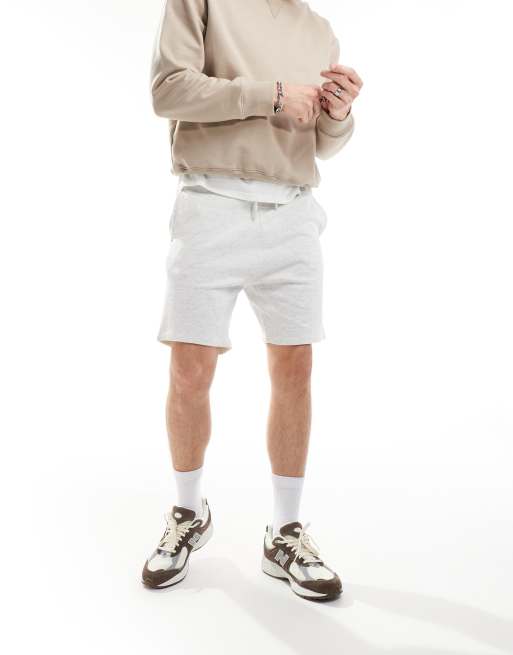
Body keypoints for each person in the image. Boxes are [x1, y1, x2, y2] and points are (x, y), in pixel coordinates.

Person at [141, 0, 363, 601]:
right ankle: (189, 513)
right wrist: (270, 95)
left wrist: (338, 114)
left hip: (292, 214)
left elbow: (321, 144)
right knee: (190, 370)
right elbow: (168, 90)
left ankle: (285, 532)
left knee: (295, 369)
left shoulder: (319, 29)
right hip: (209, 204)